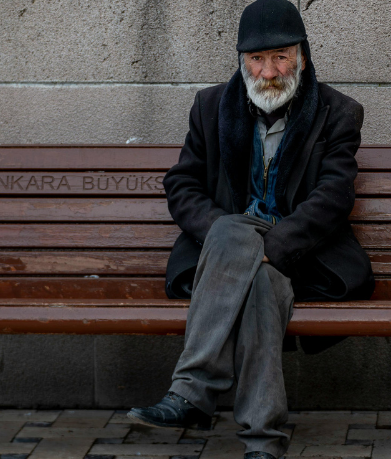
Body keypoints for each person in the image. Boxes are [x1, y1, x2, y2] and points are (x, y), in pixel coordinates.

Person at [126, 1, 375, 458]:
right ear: (242, 62)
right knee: (245, 259)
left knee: (256, 264)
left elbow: (334, 197)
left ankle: (194, 392)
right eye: (256, 60)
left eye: (280, 56)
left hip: (302, 256)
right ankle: (262, 444)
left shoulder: (338, 113)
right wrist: (230, 236)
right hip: (229, 254)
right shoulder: (210, 106)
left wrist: (270, 245)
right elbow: (181, 183)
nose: (268, 71)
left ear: (301, 55)